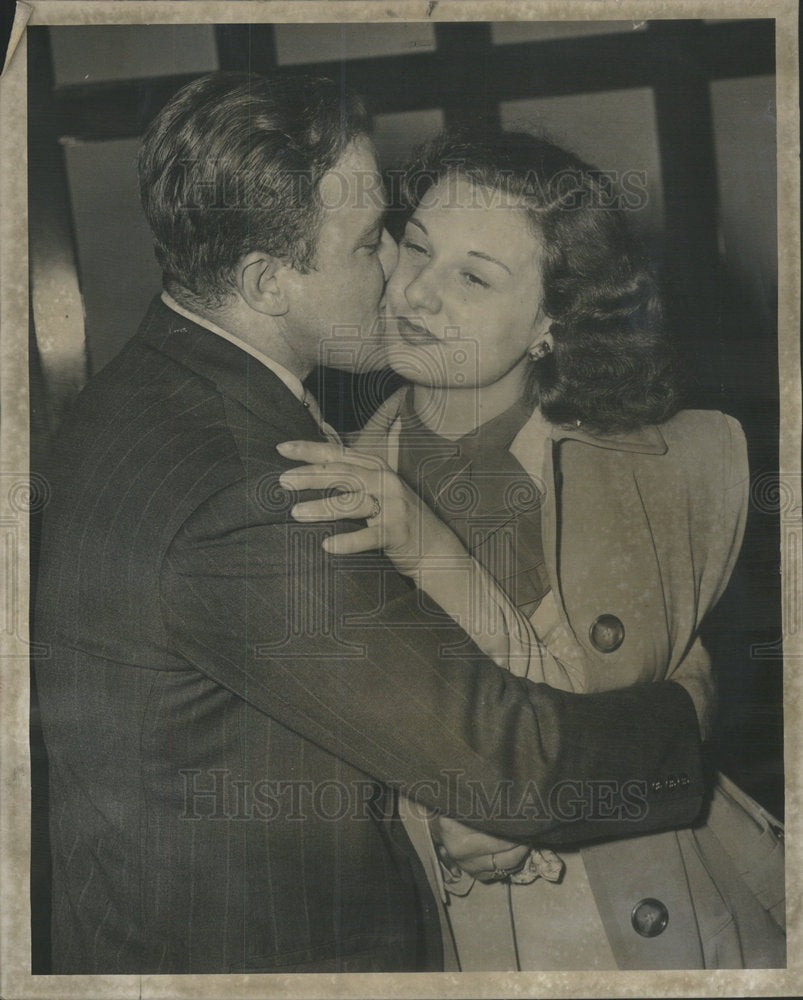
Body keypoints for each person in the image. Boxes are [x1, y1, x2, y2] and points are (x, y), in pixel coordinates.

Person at [33, 74, 709, 975]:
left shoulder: (139, 393)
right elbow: (507, 767)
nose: (398, 271)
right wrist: (695, 719)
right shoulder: (254, 487)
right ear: (268, 283)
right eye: (370, 244)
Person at [278, 129, 786, 968]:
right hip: (451, 932)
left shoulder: (651, 462)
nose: (415, 296)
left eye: (472, 277)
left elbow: (611, 723)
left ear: (553, 321)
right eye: (415, 248)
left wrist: (423, 540)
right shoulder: (333, 470)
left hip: (665, 914)